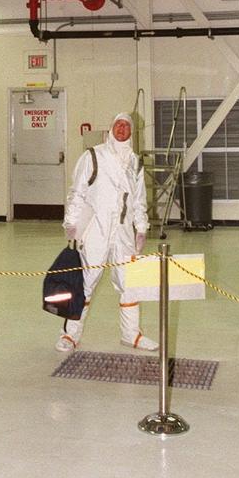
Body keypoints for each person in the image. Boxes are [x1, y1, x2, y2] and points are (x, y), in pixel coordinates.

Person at [55, 112, 157, 353]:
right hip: (96, 232)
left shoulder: (135, 162)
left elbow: (139, 200)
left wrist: (141, 228)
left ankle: (131, 334)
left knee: (130, 283)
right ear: (111, 128)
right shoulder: (93, 155)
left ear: (131, 132)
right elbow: (77, 191)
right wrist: (71, 223)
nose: (122, 129)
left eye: (126, 126)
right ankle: (70, 335)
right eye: (118, 125)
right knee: (85, 283)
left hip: (123, 233)